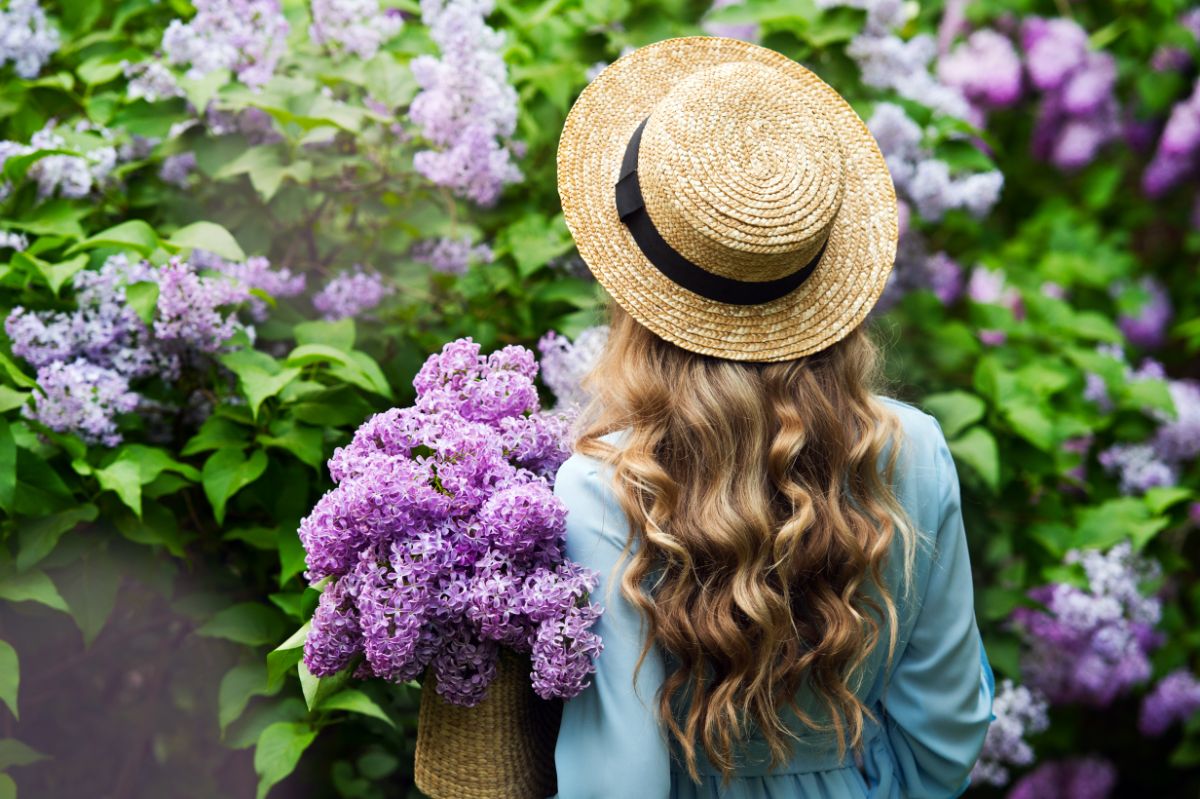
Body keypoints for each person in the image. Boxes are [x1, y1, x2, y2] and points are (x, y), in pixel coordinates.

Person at [549, 37, 996, 798]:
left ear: (635, 286)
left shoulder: (605, 488)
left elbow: (616, 783)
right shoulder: (912, 448)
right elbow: (948, 731)